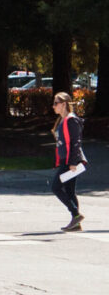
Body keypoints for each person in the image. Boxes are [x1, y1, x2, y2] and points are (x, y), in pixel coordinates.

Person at [51, 92, 87, 231]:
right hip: (66, 161)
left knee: (55, 187)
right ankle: (76, 224)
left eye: (56, 103)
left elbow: (76, 142)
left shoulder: (71, 120)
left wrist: (72, 162)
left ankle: (75, 214)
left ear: (64, 104)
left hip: (71, 162)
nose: (53, 106)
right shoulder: (63, 120)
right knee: (70, 191)